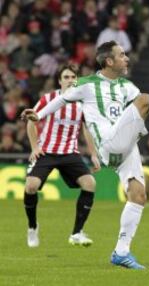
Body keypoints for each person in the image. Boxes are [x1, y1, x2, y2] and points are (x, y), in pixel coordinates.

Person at [21, 40, 149, 269]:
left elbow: (148, 107)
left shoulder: (126, 86)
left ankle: (121, 252)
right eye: (122, 55)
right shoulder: (86, 84)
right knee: (143, 100)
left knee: (138, 195)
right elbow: (60, 99)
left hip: (124, 146)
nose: (126, 58)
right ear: (108, 61)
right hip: (109, 142)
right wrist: (39, 114)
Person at [24, 65, 101, 248]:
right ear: (59, 81)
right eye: (66, 77)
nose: (70, 80)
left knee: (90, 184)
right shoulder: (49, 99)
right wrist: (35, 147)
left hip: (69, 153)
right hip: (47, 151)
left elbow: (87, 129)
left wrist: (93, 154)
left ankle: (76, 233)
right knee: (31, 186)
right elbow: (31, 121)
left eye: (73, 77)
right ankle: (32, 227)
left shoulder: (82, 103)